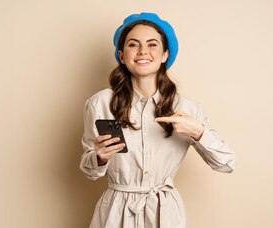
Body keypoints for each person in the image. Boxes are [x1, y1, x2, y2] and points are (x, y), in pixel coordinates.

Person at [80, 12, 236, 228]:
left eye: (152, 44)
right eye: (133, 44)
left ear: (165, 54)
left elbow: (227, 163)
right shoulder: (100, 103)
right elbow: (89, 171)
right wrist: (99, 158)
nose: (143, 51)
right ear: (122, 55)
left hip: (165, 214)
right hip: (116, 212)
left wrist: (199, 132)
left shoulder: (187, 108)